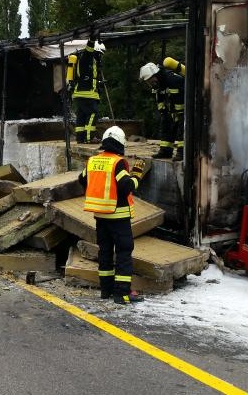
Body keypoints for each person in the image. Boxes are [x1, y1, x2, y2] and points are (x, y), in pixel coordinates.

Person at [78, 125, 146, 305]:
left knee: (105, 252)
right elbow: (127, 186)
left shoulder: (93, 161)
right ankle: (122, 293)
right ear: (120, 144)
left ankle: (106, 290)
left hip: (101, 217)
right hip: (118, 216)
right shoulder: (118, 162)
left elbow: (82, 179)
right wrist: (137, 175)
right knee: (123, 252)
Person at [139, 58, 186, 160]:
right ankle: (165, 151)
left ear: (155, 75)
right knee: (166, 123)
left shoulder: (173, 80)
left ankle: (182, 152)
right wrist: (163, 112)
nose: (149, 83)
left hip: (185, 108)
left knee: (182, 125)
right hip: (174, 108)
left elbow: (180, 98)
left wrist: (178, 113)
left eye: (149, 81)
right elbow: (160, 99)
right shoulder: (159, 84)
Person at [67, 32, 106, 144]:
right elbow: (89, 49)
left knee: (82, 115)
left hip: (81, 94)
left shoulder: (89, 63)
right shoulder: (87, 57)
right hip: (86, 94)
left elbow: (88, 78)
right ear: (96, 51)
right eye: (100, 54)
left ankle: (80, 138)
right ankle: (89, 137)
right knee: (93, 113)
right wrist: (92, 39)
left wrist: (99, 83)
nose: (100, 57)